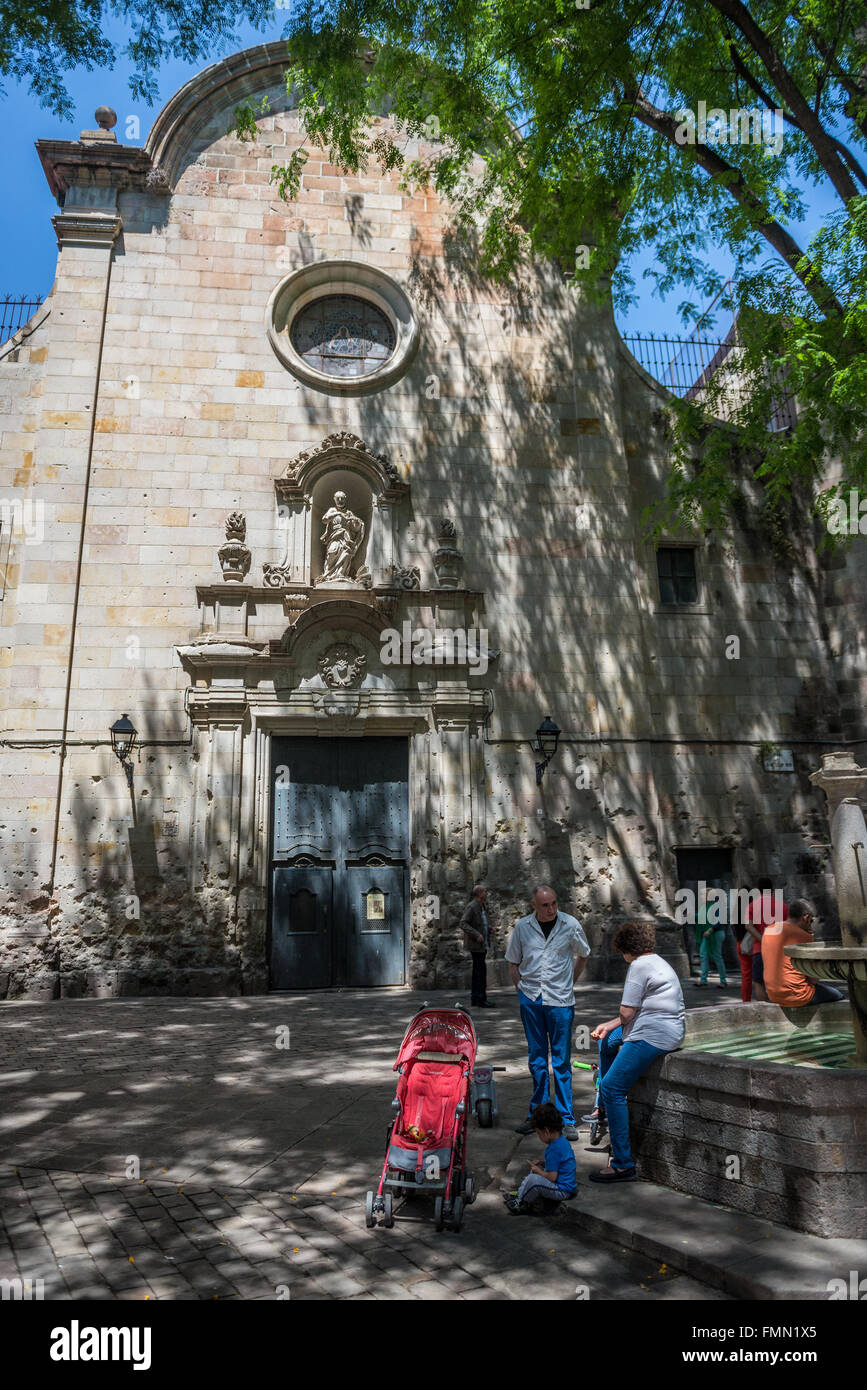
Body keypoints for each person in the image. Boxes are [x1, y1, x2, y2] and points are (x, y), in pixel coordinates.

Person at [589, 920, 685, 1183]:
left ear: (626, 949)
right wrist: (609, 1026)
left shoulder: (638, 965)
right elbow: (632, 1014)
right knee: (607, 1042)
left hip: (654, 1034)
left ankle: (622, 1163)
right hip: (662, 1028)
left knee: (612, 1088)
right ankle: (606, 1109)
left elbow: (627, 1012)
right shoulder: (657, 961)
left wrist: (616, 1020)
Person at [505, 884, 591, 1142]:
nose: (551, 909)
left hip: (561, 1001)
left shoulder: (570, 924)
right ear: (534, 905)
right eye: (545, 905)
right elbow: (513, 963)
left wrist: (569, 982)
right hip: (531, 1000)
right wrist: (521, 990)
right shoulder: (522, 927)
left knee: (562, 1061)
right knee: (537, 1060)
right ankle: (538, 1116)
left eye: (554, 903)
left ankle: (566, 1119)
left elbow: (583, 955)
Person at [761, 900, 845, 1008]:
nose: (811, 924)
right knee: (838, 995)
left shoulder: (769, 930)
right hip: (799, 996)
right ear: (805, 918)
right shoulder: (804, 936)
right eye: (812, 920)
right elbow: (813, 979)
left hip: (773, 995)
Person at [503, 1102, 577, 1214]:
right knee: (535, 1170)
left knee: (534, 1180)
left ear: (546, 1131)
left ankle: (521, 1203)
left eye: (538, 1133)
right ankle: (520, 1193)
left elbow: (552, 1177)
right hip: (565, 1186)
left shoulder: (553, 1149)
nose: (539, 1137)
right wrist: (542, 1164)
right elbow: (558, 1165)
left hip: (562, 1190)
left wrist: (539, 1171)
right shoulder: (562, 1141)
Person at [734, 877, 787, 1002]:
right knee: (778, 981)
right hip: (778, 950)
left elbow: (748, 926)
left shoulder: (752, 906)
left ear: (758, 890)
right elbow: (785, 928)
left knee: (758, 983)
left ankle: (762, 1013)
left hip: (759, 949)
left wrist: (763, 939)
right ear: (773, 890)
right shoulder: (783, 906)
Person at [460, 884, 495, 1008]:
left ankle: (476, 998)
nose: (486, 893)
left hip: (482, 944)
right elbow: (463, 923)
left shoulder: (482, 906)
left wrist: (488, 929)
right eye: (485, 891)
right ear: (479, 894)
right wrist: (476, 935)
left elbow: (481, 922)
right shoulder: (472, 906)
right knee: (480, 972)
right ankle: (480, 999)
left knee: (479, 971)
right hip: (477, 945)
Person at [694, 880, 727, 990]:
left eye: (703, 895)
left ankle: (723, 981)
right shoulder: (705, 907)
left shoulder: (717, 906)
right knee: (703, 955)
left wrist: (710, 930)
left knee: (717, 956)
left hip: (716, 933)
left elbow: (719, 920)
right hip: (706, 934)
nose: (701, 897)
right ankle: (703, 980)